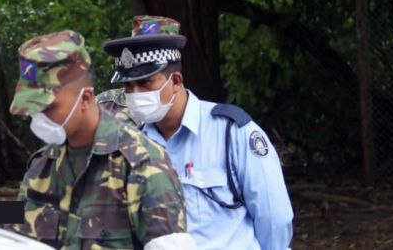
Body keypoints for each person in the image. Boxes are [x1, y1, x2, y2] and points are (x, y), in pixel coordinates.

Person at [98, 16, 294, 250]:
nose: (135, 94)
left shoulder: (231, 132)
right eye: (129, 87)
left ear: (177, 81)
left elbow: (275, 220)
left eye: (145, 83)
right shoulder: (129, 142)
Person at [8, 30, 197, 250]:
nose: (38, 118)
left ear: (86, 98)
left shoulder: (142, 164)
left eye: (48, 107)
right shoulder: (41, 166)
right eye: (33, 109)